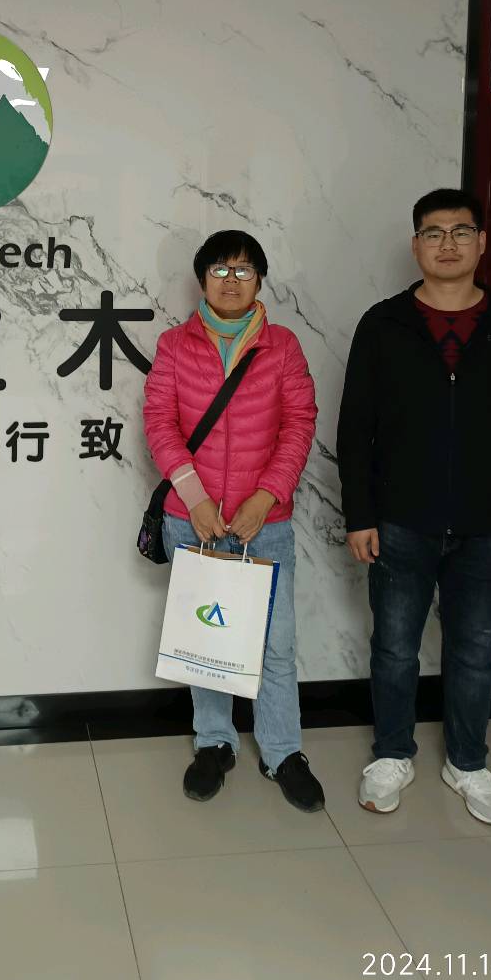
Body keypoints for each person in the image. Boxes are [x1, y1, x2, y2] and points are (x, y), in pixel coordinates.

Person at [338, 187, 491, 824]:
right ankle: (392, 754)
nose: (448, 244)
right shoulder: (384, 325)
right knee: (394, 647)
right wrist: (359, 514)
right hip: (401, 521)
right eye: (433, 233)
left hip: (487, 526)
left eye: (461, 232)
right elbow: (355, 428)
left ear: (482, 243)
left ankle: (467, 762)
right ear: (416, 246)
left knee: (474, 650)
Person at [143, 230, 323, 810]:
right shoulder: (175, 345)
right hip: (191, 521)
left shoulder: (283, 346)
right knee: (207, 639)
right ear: (202, 279)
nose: (231, 280)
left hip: (264, 524)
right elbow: (160, 423)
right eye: (220, 269)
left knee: (276, 644)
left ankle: (282, 751)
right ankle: (214, 743)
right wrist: (195, 499)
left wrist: (265, 498)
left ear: (259, 280)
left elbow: (299, 424)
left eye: (243, 270)